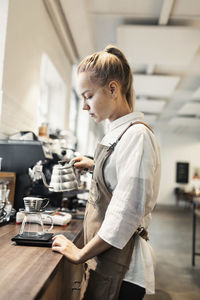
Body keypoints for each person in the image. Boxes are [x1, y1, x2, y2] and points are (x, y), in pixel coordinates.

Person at [52, 45, 161, 300]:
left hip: (124, 269)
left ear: (112, 89)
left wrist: (80, 254)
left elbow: (126, 213)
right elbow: (122, 180)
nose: (84, 106)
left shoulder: (137, 135)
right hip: (107, 258)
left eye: (88, 96)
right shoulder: (119, 133)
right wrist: (95, 165)